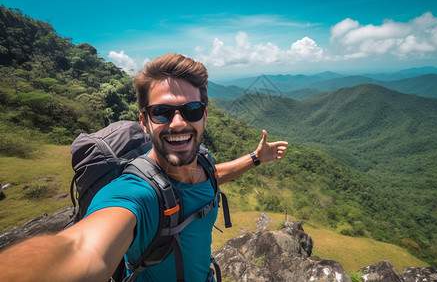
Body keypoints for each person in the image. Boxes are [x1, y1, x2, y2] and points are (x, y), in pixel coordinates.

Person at [0, 53, 288, 281]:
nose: (178, 123)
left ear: (205, 116)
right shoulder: (137, 193)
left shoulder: (201, 157)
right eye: (161, 112)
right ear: (144, 121)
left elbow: (211, 177)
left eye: (192, 110)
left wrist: (255, 158)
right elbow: (83, 251)